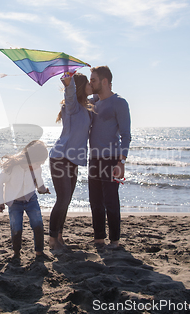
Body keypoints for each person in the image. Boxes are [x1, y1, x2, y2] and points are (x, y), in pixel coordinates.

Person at [49, 72, 94, 250]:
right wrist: (69, 82)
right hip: (60, 158)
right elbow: (70, 93)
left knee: (66, 200)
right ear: (82, 87)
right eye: (89, 84)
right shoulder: (72, 106)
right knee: (63, 199)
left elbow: (99, 97)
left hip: (73, 160)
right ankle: (52, 240)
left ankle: (59, 236)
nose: (92, 85)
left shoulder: (87, 109)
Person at [88, 66, 131, 249]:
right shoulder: (93, 102)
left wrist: (121, 162)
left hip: (111, 157)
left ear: (104, 81)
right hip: (93, 158)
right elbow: (77, 99)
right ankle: (99, 239)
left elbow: (126, 135)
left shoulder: (119, 103)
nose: (91, 83)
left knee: (111, 200)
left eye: (94, 80)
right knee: (95, 200)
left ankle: (114, 241)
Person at [0, 140, 50, 262]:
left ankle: (39, 252)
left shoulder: (37, 169)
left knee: (38, 224)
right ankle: (16, 253)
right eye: (39, 163)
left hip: (31, 200)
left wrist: (44, 190)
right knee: (16, 227)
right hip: (14, 202)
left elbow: (39, 183)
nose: (40, 166)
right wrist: (0, 201)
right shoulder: (12, 168)